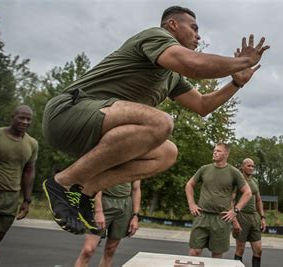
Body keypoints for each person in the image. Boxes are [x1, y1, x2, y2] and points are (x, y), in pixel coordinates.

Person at [41, 5, 270, 234]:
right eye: (193, 28)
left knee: (167, 152)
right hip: (69, 113)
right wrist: (243, 62)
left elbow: (202, 105)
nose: (198, 35)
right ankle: (62, 183)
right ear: (172, 25)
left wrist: (236, 83)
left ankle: (84, 192)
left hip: (95, 130)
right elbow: (194, 65)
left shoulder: (172, 77)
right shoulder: (155, 35)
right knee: (160, 122)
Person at [0, 105, 38, 267]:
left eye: (28, 119)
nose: (25, 122)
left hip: (10, 200)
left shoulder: (32, 144)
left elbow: (29, 171)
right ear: (13, 116)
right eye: (21, 117)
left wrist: (27, 200)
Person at [185, 143, 252, 258]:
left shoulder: (233, 172)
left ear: (226, 154)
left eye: (218, 151)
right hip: (202, 216)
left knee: (216, 256)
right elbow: (189, 185)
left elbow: (248, 192)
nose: (214, 152)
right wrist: (191, 204)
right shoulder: (204, 169)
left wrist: (235, 211)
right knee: (194, 252)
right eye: (214, 150)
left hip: (221, 219)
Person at [74, 180, 141, 267]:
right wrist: (98, 211)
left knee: (110, 250)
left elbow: (136, 189)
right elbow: (97, 184)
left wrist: (135, 216)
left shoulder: (134, 166)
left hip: (124, 205)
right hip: (103, 201)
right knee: (88, 250)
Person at [232, 158, 266, 267]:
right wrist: (234, 220)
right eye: (248, 166)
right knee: (240, 249)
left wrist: (262, 217)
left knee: (258, 249)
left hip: (254, 217)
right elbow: (231, 200)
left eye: (252, 166)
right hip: (241, 216)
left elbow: (258, 200)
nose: (251, 168)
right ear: (242, 167)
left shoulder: (255, 181)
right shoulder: (238, 180)